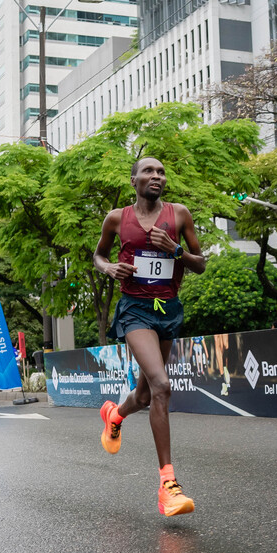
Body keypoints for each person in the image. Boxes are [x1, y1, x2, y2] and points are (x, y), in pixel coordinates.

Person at [93, 156, 205, 516]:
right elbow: (98, 256)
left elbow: (200, 264)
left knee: (144, 395)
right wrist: (109, 267)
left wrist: (173, 249)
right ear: (134, 180)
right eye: (148, 171)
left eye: (161, 172)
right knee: (161, 385)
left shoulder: (179, 214)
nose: (156, 176)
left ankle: (115, 415)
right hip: (135, 310)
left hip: (168, 310)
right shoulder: (116, 218)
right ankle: (168, 486)